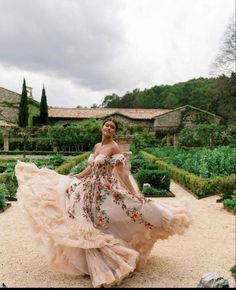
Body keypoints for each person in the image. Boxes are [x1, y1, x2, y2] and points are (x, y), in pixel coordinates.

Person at [15, 118, 192, 288]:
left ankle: (115, 256)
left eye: (112, 127)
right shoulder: (98, 146)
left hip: (105, 189)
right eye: (106, 125)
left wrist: (132, 192)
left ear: (115, 132)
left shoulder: (114, 147)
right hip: (89, 188)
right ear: (102, 128)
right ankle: (91, 262)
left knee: (121, 213)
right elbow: (91, 167)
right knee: (83, 217)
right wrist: (77, 176)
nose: (108, 128)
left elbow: (122, 173)